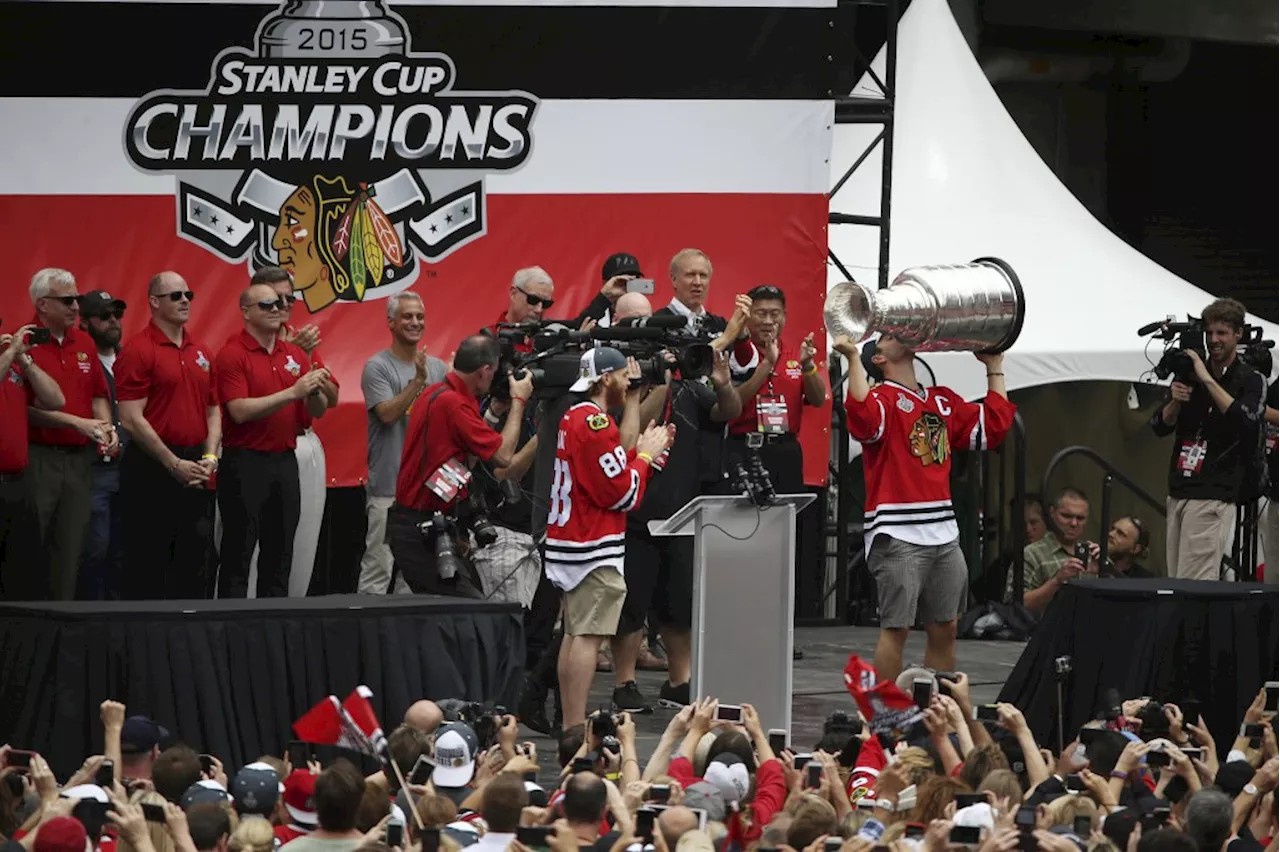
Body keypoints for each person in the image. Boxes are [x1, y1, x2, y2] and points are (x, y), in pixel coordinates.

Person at [833, 333, 1015, 683]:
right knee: (896, 628)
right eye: (886, 337)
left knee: (946, 625)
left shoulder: (940, 400)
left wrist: (995, 367)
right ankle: (886, 715)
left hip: (944, 531)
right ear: (879, 358)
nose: (898, 335)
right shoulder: (882, 399)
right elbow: (862, 419)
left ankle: (939, 709)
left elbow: (993, 427)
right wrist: (853, 359)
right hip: (898, 530)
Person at [546, 346, 673, 734]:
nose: (626, 381)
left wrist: (641, 456)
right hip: (592, 545)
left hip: (572, 541)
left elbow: (613, 463)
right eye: (622, 376)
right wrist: (646, 460)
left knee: (574, 633)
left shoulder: (576, 416)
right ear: (605, 378)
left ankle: (571, 720)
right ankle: (573, 723)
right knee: (587, 636)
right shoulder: (595, 424)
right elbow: (622, 494)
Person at [388, 334, 530, 594]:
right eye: (495, 373)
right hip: (420, 529)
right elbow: (504, 456)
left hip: (429, 524)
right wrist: (519, 402)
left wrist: (495, 412)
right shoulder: (453, 405)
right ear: (484, 370)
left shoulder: (438, 392)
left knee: (458, 613)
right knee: (468, 614)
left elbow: (468, 457)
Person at [215, 283, 330, 598]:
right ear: (246, 312)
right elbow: (238, 411)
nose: (277, 309)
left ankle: (274, 628)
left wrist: (314, 389)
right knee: (239, 551)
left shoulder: (293, 353)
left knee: (280, 552)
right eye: (266, 304)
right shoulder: (232, 354)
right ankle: (232, 629)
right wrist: (294, 391)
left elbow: (316, 410)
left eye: (281, 303)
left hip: (284, 460)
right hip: (245, 460)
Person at [115, 272, 220, 599]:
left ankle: (188, 642)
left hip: (196, 464)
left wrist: (210, 456)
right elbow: (130, 418)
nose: (185, 300)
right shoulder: (138, 349)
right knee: (148, 563)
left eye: (188, 294)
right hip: (152, 466)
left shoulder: (199, 349)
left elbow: (214, 409)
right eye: (175, 296)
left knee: (194, 562)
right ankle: (143, 644)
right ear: (154, 302)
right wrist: (172, 462)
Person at [1151, 298, 1265, 581]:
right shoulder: (1190, 373)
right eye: (1210, 333)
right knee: (1177, 578)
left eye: (1222, 333)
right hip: (1179, 488)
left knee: (1195, 582)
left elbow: (1247, 420)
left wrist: (1207, 380)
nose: (1214, 340)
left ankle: (1194, 627)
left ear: (1238, 334)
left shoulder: (1250, 378)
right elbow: (1158, 426)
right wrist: (1175, 402)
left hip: (1215, 492)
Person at [25, 268, 118, 600]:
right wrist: (75, 423)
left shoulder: (85, 342)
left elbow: (97, 394)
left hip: (80, 462)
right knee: (32, 546)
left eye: (77, 300)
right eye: (67, 301)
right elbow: (21, 410)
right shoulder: (22, 342)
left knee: (73, 550)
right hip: (39, 459)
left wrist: (104, 426)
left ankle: (62, 626)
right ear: (43, 304)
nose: (76, 308)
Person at [358, 291, 448, 595]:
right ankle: (366, 638)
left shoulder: (437, 368)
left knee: (413, 579)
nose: (415, 322)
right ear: (391, 322)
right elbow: (387, 414)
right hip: (388, 490)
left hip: (426, 493)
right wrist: (417, 382)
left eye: (419, 317)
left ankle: (402, 641)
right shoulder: (377, 366)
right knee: (378, 569)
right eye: (407, 316)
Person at [0, 324, 64, 599]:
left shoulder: (12, 365)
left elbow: (55, 399)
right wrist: (11, 351)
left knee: (22, 575)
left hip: (16, 484)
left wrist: (24, 360)